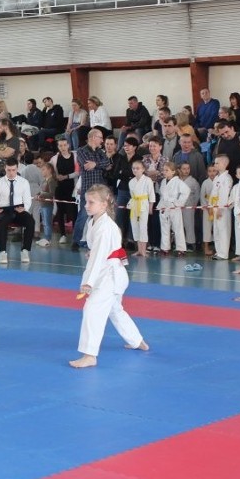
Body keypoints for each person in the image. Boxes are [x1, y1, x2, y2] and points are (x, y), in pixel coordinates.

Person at [69, 184, 149, 369]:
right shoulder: (94, 221)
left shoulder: (105, 227)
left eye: (91, 202)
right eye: (86, 202)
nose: (87, 206)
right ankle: (137, 341)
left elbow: (98, 257)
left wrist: (87, 282)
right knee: (115, 310)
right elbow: (100, 251)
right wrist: (95, 252)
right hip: (110, 273)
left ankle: (89, 355)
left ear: (104, 204)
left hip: (109, 277)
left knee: (92, 310)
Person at [0, 158, 35, 264]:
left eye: (13, 170)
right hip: (3, 210)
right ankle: (3, 252)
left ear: (17, 168)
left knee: (30, 221)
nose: (11, 173)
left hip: (19, 209)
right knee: (2, 222)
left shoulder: (24, 182)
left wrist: (25, 208)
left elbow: (27, 199)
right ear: (5, 168)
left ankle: (25, 250)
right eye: (9, 170)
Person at [72, 128, 110, 250]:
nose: (102, 140)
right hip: (88, 190)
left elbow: (107, 163)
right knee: (83, 215)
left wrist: (96, 164)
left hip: (100, 190)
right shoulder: (81, 151)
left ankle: (97, 241)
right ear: (93, 137)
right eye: (100, 137)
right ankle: (76, 241)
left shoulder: (100, 151)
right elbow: (86, 165)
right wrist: (99, 164)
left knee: (101, 216)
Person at [158, 162, 190, 256]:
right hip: (164, 206)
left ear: (173, 172)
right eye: (163, 170)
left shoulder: (178, 181)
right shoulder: (163, 181)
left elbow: (186, 191)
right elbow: (162, 194)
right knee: (164, 227)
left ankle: (181, 249)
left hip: (174, 207)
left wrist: (178, 203)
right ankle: (165, 248)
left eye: (166, 170)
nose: (164, 172)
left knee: (177, 228)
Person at [50, 137, 78, 245]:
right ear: (58, 147)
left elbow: (77, 172)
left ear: (68, 145)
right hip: (59, 189)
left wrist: (66, 176)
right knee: (60, 212)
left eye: (64, 145)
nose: (63, 147)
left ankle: (75, 236)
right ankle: (62, 235)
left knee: (74, 212)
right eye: (60, 145)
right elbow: (51, 172)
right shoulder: (54, 159)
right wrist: (56, 176)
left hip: (72, 189)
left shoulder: (75, 156)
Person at [210, 155, 233, 261]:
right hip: (215, 206)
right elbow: (213, 193)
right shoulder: (217, 177)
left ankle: (223, 253)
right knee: (216, 230)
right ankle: (218, 251)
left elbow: (224, 195)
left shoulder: (227, 178)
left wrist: (220, 208)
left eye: (217, 163)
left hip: (222, 208)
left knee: (223, 230)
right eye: (215, 163)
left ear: (224, 164)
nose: (215, 165)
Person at [35, 162, 58, 247]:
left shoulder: (52, 181)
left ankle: (48, 239)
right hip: (43, 204)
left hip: (48, 205)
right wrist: (38, 194)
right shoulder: (45, 180)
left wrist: (41, 195)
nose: (42, 171)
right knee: (44, 222)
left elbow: (51, 194)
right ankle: (45, 237)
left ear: (49, 170)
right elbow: (42, 191)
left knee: (47, 223)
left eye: (44, 169)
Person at [200, 164, 217, 257]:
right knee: (207, 228)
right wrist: (204, 206)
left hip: (217, 207)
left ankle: (217, 247)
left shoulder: (219, 181)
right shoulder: (205, 183)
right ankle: (206, 247)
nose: (212, 173)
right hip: (207, 208)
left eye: (214, 171)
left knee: (217, 228)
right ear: (207, 172)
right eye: (210, 171)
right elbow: (202, 195)